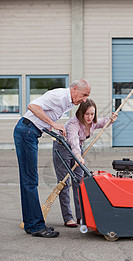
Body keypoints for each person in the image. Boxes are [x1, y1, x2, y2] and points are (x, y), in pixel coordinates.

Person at [13, 79, 91, 238]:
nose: (84, 100)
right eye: (84, 95)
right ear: (75, 89)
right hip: (26, 132)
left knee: (28, 180)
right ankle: (36, 226)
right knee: (31, 180)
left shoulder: (68, 102)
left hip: (30, 132)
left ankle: (30, 223)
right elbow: (32, 107)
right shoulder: (59, 96)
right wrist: (54, 124)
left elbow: (43, 116)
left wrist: (51, 128)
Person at [53, 98, 117, 227]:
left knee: (79, 183)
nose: (89, 117)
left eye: (92, 114)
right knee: (64, 183)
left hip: (77, 150)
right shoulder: (73, 124)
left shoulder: (92, 122)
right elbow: (74, 140)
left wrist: (111, 119)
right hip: (63, 148)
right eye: (87, 114)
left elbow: (102, 122)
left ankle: (81, 216)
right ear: (81, 112)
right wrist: (78, 155)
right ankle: (68, 218)